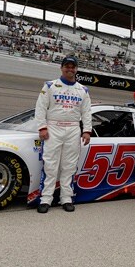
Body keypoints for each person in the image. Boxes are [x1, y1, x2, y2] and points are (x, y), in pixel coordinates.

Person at [35, 55, 92, 213]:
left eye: (73, 67)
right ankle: (46, 199)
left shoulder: (83, 90)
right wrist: (42, 127)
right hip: (53, 128)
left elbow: (86, 112)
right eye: (67, 66)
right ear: (61, 68)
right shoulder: (50, 85)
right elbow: (40, 107)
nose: (70, 69)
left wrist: (87, 131)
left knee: (69, 166)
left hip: (73, 129)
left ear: (76, 69)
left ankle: (66, 198)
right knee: (50, 165)